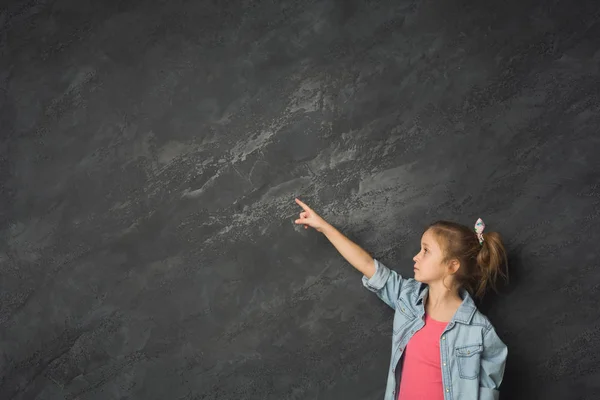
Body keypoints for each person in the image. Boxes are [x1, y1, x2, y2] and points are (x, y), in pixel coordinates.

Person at [294, 198, 508, 400]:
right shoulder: (408, 298)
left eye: (426, 251)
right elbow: (369, 266)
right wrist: (323, 227)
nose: (416, 256)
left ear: (452, 266)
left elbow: (487, 392)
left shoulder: (479, 331)